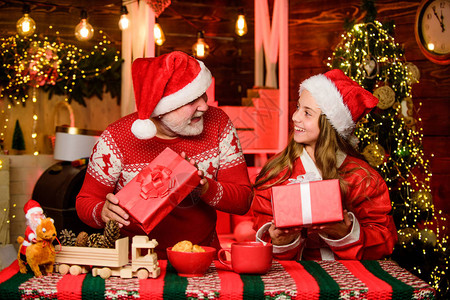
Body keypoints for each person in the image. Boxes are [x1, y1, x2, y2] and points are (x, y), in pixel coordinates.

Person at [76, 51, 252, 258]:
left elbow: (243, 200)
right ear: (160, 108)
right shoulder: (116, 138)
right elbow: (85, 201)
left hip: (201, 256)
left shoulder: (218, 123)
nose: (204, 106)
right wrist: (102, 212)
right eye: (191, 100)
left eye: (203, 95)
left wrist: (204, 187)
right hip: (133, 260)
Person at [251, 69, 398, 260]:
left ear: (331, 125)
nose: (295, 117)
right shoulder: (277, 172)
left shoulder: (363, 178)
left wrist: (345, 233)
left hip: (349, 280)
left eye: (307, 113)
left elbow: (385, 238)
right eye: (298, 107)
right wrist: (281, 240)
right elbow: (262, 229)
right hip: (293, 279)